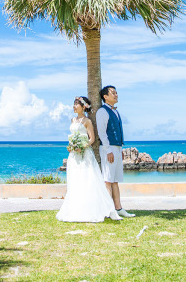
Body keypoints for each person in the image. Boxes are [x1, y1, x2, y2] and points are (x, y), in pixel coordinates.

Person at [56, 96, 122, 222]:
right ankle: (75, 208)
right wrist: (71, 146)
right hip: (74, 155)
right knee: (75, 180)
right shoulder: (72, 120)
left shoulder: (87, 121)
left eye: (76, 104)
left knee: (87, 179)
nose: (74, 106)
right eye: (74, 104)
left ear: (84, 106)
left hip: (85, 153)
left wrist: (82, 146)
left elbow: (91, 139)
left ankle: (95, 208)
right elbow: (73, 136)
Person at [96, 85, 135, 218]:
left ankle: (119, 208)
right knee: (108, 180)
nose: (116, 95)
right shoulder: (102, 111)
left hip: (117, 148)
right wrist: (108, 150)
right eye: (113, 93)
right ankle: (109, 210)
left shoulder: (116, 112)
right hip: (109, 148)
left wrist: (120, 148)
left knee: (115, 180)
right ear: (105, 97)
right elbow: (102, 132)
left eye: (116, 92)